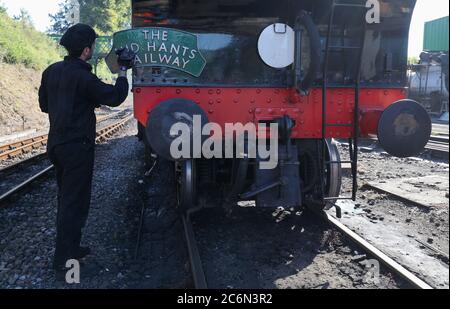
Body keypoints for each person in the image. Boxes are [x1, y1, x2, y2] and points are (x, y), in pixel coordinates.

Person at [38, 23, 134, 275]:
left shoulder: (50, 71)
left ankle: (72, 247)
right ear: (86, 50)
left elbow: (44, 106)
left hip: (56, 145)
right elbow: (115, 97)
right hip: (77, 149)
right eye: (91, 45)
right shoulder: (84, 77)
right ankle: (64, 264)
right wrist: (123, 70)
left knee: (66, 199)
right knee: (74, 203)